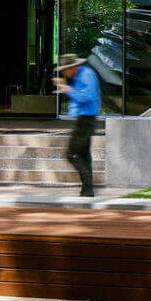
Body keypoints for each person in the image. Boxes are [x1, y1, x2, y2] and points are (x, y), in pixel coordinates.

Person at [54, 53, 103, 198]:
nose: (64, 73)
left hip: (86, 120)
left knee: (72, 154)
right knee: (83, 155)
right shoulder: (80, 76)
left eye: (64, 70)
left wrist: (66, 89)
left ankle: (87, 188)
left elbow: (87, 97)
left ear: (72, 67)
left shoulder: (86, 75)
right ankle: (87, 190)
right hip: (83, 119)